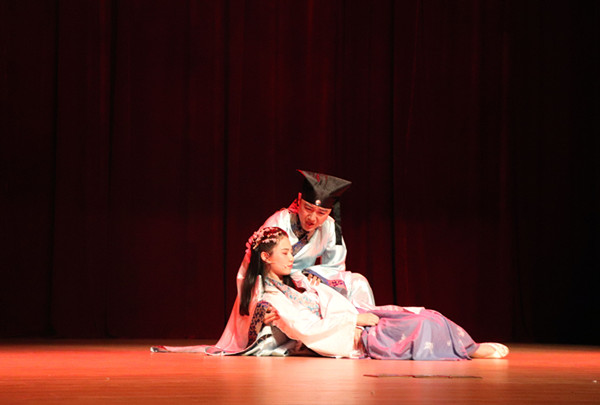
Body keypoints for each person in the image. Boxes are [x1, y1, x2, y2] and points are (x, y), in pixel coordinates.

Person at [238, 226, 509, 360]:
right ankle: (470, 351)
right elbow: (306, 329)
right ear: (266, 257)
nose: (291, 258)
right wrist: (353, 320)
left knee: (425, 314)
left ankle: (469, 346)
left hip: (354, 318)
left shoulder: (293, 283)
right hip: (353, 334)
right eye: (285, 253)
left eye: (291, 252)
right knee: (422, 326)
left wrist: (321, 290)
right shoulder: (272, 298)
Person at [212, 170, 375, 354]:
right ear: (299, 200)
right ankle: (346, 330)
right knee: (281, 324)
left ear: (330, 211)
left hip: (308, 281)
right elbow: (252, 267)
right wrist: (258, 308)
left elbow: (335, 266)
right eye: (308, 208)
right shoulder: (278, 223)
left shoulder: (331, 226)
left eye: (321, 212)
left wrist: (315, 274)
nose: (312, 218)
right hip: (276, 285)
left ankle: (365, 331)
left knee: (358, 282)